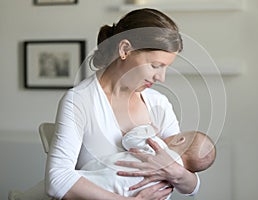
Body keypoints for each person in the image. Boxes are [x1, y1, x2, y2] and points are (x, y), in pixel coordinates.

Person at [46, 8, 201, 200]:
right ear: (125, 50)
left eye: (166, 68)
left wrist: (177, 174)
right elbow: (58, 179)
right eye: (155, 65)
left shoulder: (158, 103)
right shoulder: (80, 101)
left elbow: (191, 187)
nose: (161, 78)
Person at [78, 125, 216, 199]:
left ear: (180, 140)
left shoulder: (158, 145)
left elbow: (129, 140)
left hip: (105, 178)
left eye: (176, 135)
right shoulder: (168, 188)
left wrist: (149, 130)